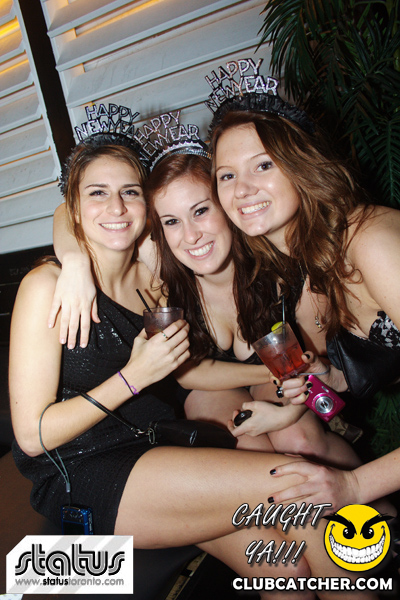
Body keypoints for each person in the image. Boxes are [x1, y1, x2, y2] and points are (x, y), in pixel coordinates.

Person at [11, 132, 364, 597]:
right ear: (74, 208)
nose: (116, 206)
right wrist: (133, 374)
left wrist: (76, 255)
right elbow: (33, 437)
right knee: (300, 488)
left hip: (161, 448)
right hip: (85, 472)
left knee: (285, 567)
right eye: (97, 193)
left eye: (129, 192)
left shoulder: (152, 278)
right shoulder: (46, 287)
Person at [208, 80, 400, 510]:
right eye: (227, 175)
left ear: (301, 164)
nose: (242, 190)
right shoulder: (298, 265)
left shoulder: (370, 242)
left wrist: (356, 486)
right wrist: (332, 378)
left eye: (263, 165)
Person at [145, 149, 360, 468]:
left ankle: (371, 499)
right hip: (208, 388)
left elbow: (318, 361)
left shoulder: (279, 267)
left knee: (299, 442)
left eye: (201, 210)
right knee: (251, 456)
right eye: (172, 221)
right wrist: (75, 265)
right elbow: (189, 375)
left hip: (289, 377)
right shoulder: (159, 281)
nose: (191, 235)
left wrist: (288, 409)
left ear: (227, 204)